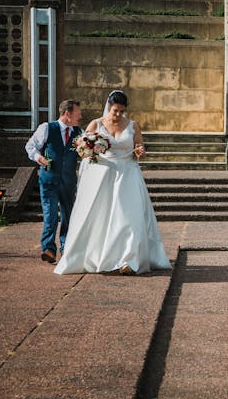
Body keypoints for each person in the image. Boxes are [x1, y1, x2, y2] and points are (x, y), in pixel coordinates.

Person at [54, 90, 170, 275]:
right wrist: (87, 149)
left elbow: (139, 146)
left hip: (128, 174)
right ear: (109, 105)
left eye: (121, 111)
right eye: (115, 110)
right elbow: (82, 148)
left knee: (128, 216)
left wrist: (139, 150)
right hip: (102, 175)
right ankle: (100, 255)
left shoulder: (133, 125)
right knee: (101, 217)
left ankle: (128, 260)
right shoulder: (96, 124)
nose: (118, 115)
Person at [25, 99, 83, 264]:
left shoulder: (79, 132)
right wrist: (39, 158)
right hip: (49, 179)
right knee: (50, 215)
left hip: (69, 180)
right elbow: (30, 146)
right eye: (77, 112)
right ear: (67, 113)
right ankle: (49, 249)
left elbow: (86, 153)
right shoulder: (47, 128)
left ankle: (66, 249)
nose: (80, 116)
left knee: (68, 215)